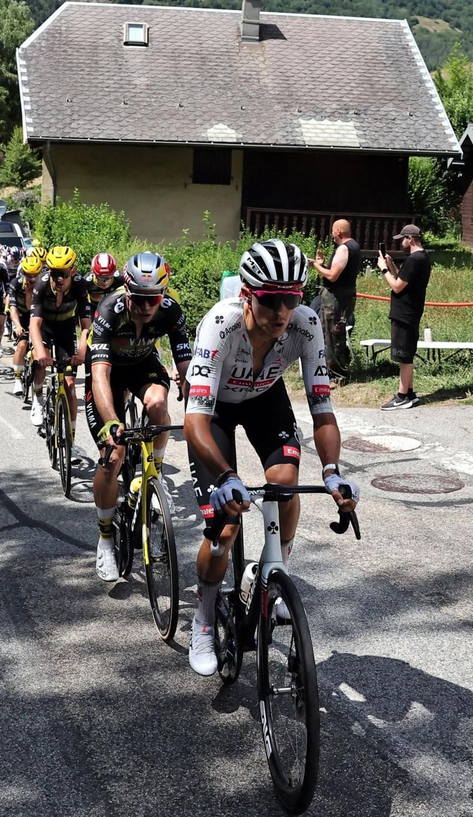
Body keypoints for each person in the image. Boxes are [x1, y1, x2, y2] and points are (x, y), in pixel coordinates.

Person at [183, 239, 360, 675]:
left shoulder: (305, 324)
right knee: (223, 529)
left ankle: (272, 575)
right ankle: (204, 617)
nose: (282, 311)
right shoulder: (219, 326)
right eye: (271, 299)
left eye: (292, 298)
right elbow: (194, 421)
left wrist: (334, 472)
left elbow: (322, 409)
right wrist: (226, 475)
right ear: (247, 295)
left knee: (284, 482)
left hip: (265, 399)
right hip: (215, 413)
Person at [86, 252, 193, 582]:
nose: (147, 307)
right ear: (127, 290)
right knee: (113, 456)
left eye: (154, 300)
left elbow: (186, 364)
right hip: (110, 374)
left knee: (159, 403)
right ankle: (105, 539)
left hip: (143, 365)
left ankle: (154, 475)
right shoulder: (108, 311)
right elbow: (100, 376)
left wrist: (197, 408)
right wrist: (111, 423)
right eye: (140, 299)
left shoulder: (171, 310)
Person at [28, 246, 86, 424]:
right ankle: (37, 399)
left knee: (69, 386)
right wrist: (42, 353)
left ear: (73, 271)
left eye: (64, 274)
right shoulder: (42, 284)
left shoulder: (80, 285)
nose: (58, 279)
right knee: (39, 360)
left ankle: (71, 436)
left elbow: (86, 326)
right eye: (54, 274)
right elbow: (34, 324)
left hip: (66, 328)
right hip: (45, 325)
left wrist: (82, 353)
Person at [377, 224, 432, 410]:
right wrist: (392, 265)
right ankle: (409, 392)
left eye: (402, 239)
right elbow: (404, 280)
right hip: (412, 310)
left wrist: (384, 269)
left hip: (405, 313)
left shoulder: (414, 260)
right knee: (407, 351)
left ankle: (401, 396)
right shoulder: (422, 258)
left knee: (404, 356)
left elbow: (397, 286)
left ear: (410, 239)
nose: (401, 242)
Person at [311, 220, 363, 384]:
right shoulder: (354, 246)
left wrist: (314, 265)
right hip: (345, 294)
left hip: (336, 298)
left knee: (333, 334)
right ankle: (333, 370)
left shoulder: (344, 248)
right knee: (335, 332)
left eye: (333, 231)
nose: (332, 234)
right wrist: (323, 265)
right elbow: (338, 273)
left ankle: (336, 374)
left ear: (339, 231)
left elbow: (333, 276)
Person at [9, 253, 42, 396]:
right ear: (24, 273)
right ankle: (17, 380)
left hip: (38, 317)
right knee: (22, 345)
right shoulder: (16, 283)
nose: (32, 278)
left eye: (36, 275)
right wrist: (17, 325)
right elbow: (13, 308)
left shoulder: (44, 284)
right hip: (22, 317)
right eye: (29, 275)